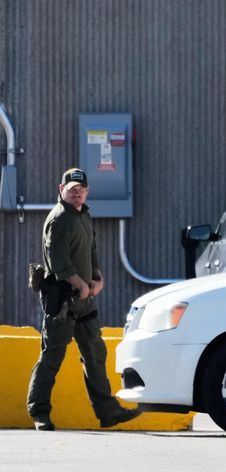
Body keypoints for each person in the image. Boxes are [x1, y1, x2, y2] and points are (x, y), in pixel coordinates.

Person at [27, 168, 142, 431]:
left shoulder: (84, 215)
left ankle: (108, 412)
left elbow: (91, 250)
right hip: (63, 300)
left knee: (94, 354)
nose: (76, 192)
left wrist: (97, 278)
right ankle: (39, 412)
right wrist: (79, 284)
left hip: (84, 300)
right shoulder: (59, 220)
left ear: (87, 191)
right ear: (61, 189)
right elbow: (59, 263)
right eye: (71, 188)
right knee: (52, 356)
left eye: (81, 188)